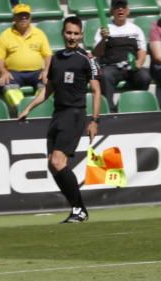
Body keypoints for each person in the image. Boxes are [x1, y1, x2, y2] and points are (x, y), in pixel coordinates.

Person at [17, 16, 100, 224]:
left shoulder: (86, 59)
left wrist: (95, 120)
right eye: (68, 32)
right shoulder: (55, 59)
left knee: (57, 161)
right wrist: (29, 108)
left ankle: (79, 209)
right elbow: (48, 91)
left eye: (75, 33)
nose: (71, 37)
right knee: (52, 165)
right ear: (63, 33)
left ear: (81, 35)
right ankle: (77, 209)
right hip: (58, 114)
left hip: (74, 114)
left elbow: (97, 91)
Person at [92, 0, 151, 110]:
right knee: (105, 75)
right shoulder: (103, 29)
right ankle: (109, 109)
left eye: (123, 6)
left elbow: (142, 50)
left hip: (131, 66)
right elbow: (97, 53)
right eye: (116, 6)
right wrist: (104, 39)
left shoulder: (136, 29)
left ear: (127, 10)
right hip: (111, 67)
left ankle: (135, 105)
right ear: (111, 11)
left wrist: (139, 63)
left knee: (145, 76)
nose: (120, 9)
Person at [0, 3, 53, 109]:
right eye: (20, 15)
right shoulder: (5, 35)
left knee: (50, 83)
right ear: (14, 18)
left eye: (26, 15)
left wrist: (46, 71)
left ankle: (38, 108)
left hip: (37, 72)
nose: (23, 18)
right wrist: (3, 72)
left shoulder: (39, 33)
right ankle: (20, 109)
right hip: (13, 73)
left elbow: (48, 55)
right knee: (6, 84)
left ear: (30, 17)